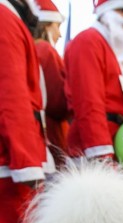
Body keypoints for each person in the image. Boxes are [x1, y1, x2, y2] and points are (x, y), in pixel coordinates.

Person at [0, 0, 53, 223]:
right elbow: (11, 94)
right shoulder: (4, 17)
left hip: (14, 153)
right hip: (12, 156)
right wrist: (26, 159)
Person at [64, 0, 123, 161]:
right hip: (92, 151)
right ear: (105, 12)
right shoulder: (88, 41)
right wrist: (101, 155)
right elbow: (88, 103)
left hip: (118, 148)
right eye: (122, 10)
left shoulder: (117, 53)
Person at [33, 0, 69, 167]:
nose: (60, 34)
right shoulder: (46, 51)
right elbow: (58, 102)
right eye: (57, 26)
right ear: (46, 26)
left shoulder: (30, 49)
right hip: (53, 134)